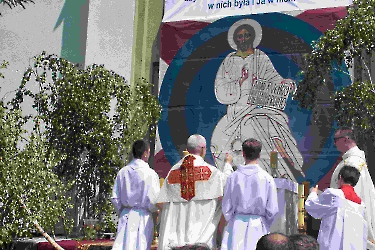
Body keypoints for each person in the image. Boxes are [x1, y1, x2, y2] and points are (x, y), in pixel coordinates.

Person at [210, 18, 305, 182]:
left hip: (259, 105)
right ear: (235, 40)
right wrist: (239, 82)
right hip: (236, 111)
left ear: (252, 37)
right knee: (221, 141)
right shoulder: (229, 60)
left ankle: (281, 171)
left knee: (274, 129)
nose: (243, 39)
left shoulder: (260, 56)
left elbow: (273, 77)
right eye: (240, 37)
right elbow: (220, 89)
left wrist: (284, 83)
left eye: (247, 35)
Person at [156, 134, 233, 250]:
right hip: (201, 242)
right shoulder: (212, 173)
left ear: (187, 149)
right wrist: (227, 165)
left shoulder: (172, 173)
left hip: (175, 243)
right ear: (203, 149)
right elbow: (228, 184)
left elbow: (161, 203)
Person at [221, 138, 279, 250]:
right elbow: (272, 210)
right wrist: (264, 223)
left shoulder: (233, 177)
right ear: (259, 154)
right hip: (258, 225)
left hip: (236, 225)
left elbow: (226, 206)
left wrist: (233, 219)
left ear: (243, 153)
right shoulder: (267, 178)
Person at [110, 140, 160, 250]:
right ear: (145, 153)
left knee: (123, 246)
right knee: (141, 246)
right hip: (143, 217)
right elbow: (154, 200)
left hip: (126, 215)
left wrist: (123, 211)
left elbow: (115, 198)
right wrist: (153, 209)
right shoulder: (150, 174)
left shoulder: (123, 172)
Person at [330, 128, 375, 249]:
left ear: (346, 139)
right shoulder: (351, 160)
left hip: (349, 220)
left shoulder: (353, 162)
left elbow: (349, 194)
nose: (334, 144)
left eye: (335, 140)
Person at [306, 165, 367, 250]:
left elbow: (313, 207)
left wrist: (313, 193)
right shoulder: (361, 205)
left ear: (340, 177)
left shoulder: (334, 194)